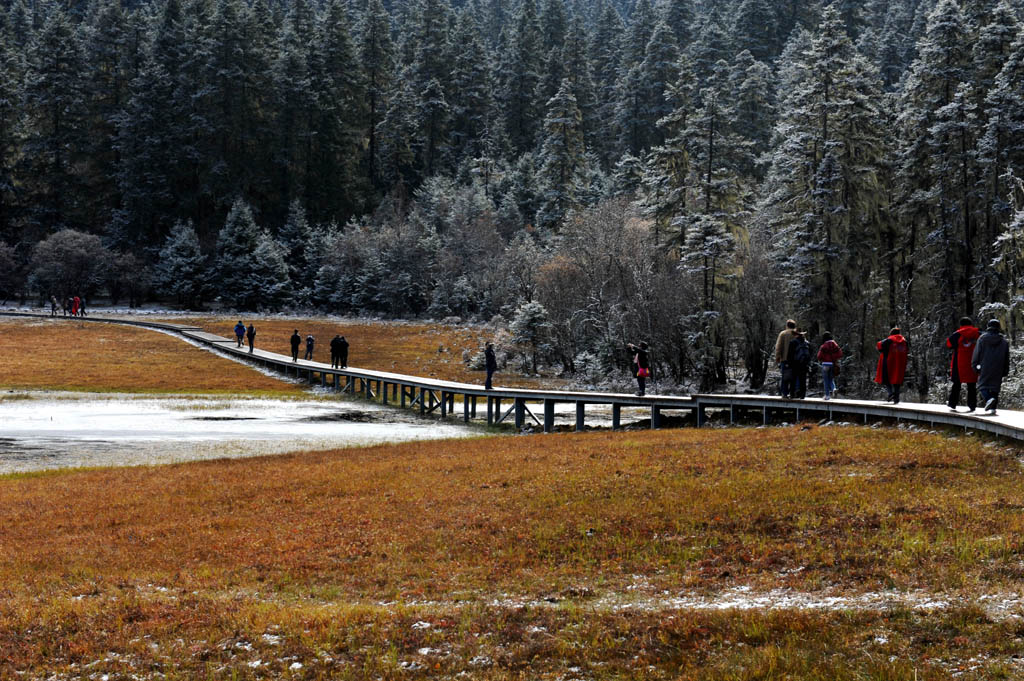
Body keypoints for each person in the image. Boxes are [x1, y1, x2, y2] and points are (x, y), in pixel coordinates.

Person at [972, 319, 1010, 415]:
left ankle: (989, 399)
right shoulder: (1004, 342)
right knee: (995, 387)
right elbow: (1006, 357)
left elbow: (976, 353)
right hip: (999, 367)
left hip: (985, 366)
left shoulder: (982, 339)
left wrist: (975, 366)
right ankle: (993, 408)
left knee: (982, 386)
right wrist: (1005, 369)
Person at [946, 316, 980, 412]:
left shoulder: (957, 334)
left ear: (961, 325)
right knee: (972, 385)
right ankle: (972, 405)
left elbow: (949, 344)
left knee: (956, 384)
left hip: (959, 363)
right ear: (971, 324)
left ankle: (952, 404)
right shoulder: (978, 333)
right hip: (974, 362)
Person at [875, 327, 909, 404]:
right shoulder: (905, 341)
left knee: (886, 379)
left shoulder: (889, 340)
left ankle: (890, 393)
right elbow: (907, 351)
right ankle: (896, 398)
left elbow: (879, 346)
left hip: (888, 363)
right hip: (900, 364)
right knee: (897, 380)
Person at [774, 319, 799, 398]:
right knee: (794, 377)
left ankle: (784, 394)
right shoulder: (797, 334)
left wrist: (777, 357)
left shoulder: (783, 334)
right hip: (796, 360)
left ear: (787, 325)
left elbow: (778, 347)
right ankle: (793, 393)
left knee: (785, 377)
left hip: (785, 359)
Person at [816, 332, 843, 401]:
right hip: (832, 364)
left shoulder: (823, 346)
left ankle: (827, 396)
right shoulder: (835, 345)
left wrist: (823, 359)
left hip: (825, 364)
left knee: (826, 380)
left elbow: (819, 356)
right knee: (831, 379)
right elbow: (840, 354)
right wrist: (834, 358)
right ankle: (834, 389)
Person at [787, 331, 812, 399]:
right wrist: (808, 363)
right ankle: (802, 395)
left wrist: (789, 364)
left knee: (793, 380)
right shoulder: (807, 343)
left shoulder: (793, 342)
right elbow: (810, 354)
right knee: (803, 380)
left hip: (795, 364)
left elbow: (789, 354)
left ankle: (792, 394)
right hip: (804, 364)